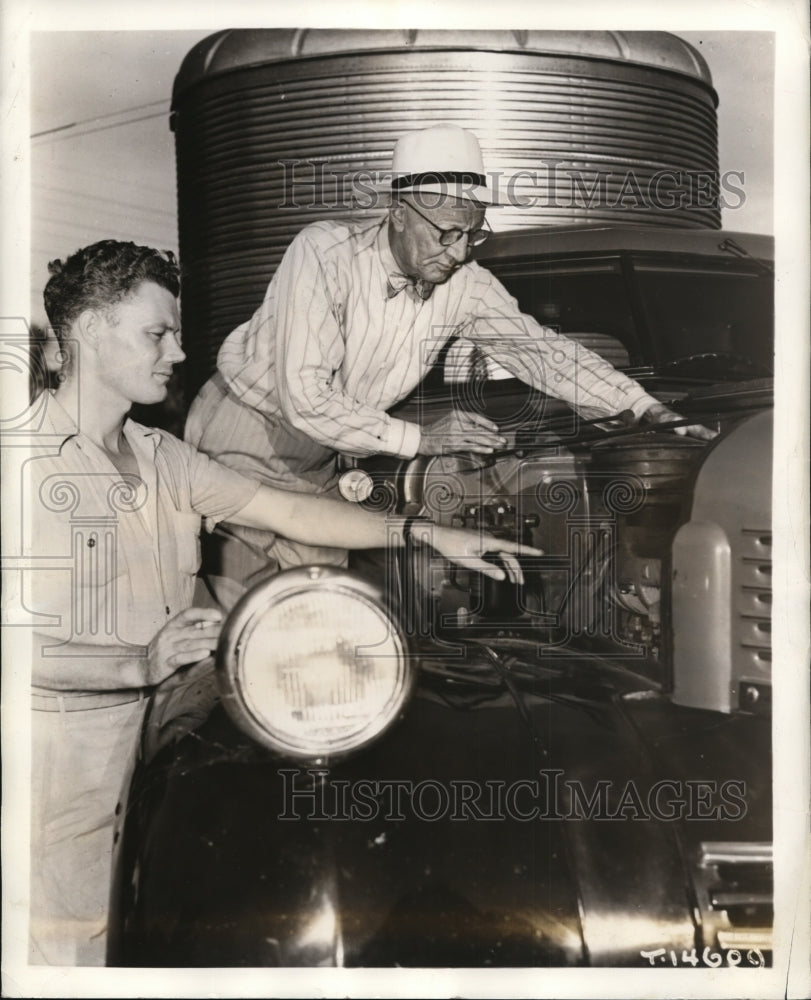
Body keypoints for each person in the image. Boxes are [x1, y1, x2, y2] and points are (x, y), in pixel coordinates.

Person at [22, 239, 539, 966]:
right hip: (65, 770)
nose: (178, 352)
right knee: (74, 955)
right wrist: (137, 662)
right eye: (156, 333)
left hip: (160, 747)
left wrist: (423, 532)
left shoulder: (163, 456)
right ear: (88, 331)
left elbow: (288, 510)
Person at [185, 122, 713, 580]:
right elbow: (305, 397)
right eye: (446, 233)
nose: (459, 252)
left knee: (317, 609)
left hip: (326, 455)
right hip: (246, 430)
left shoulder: (467, 284)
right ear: (399, 212)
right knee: (244, 612)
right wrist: (424, 439)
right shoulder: (325, 253)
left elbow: (543, 354)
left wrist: (643, 407)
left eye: (471, 234)